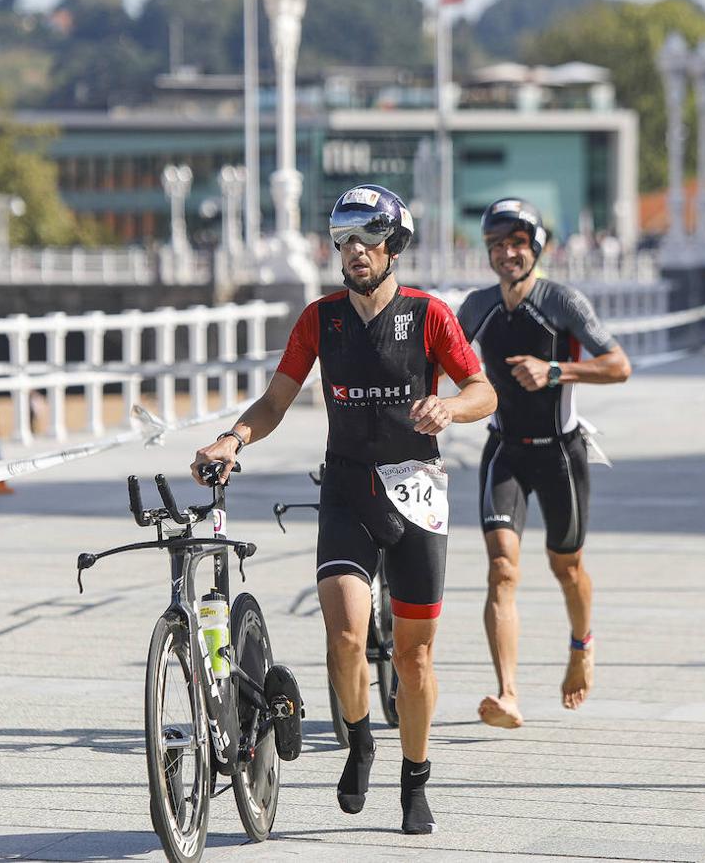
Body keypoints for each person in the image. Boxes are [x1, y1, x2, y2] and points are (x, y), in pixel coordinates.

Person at [192, 184, 496, 835]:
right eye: (343, 240)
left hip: (416, 488)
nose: (354, 251)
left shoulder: (430, 315)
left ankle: (415, 778)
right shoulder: (320, 320)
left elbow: (482, 390)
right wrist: (233, 436)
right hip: (348, 488)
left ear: (395, 246)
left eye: (367, 239)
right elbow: (274, 402)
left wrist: (451, 408)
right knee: (346, 634)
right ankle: (359, 741)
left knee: (414, 660)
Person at [455, 198, 631, 729]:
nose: (507, 253)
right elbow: (441, 360)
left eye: (517, 243)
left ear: (536, 247)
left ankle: (582, 646)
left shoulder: (562, 301)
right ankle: (508, 693)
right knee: (502, 569)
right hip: (504, 450)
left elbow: (618, 365)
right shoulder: (479, 305)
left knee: (566, 565)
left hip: (560, 452)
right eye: (496, 245)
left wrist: (555, 371)